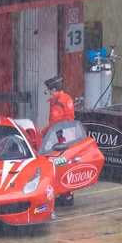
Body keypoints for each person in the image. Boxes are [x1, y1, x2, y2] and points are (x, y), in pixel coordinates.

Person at [41, 76, 75, 207]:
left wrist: (42, 133)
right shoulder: (67, 98)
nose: (49, 91)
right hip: (70, 135)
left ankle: (66, 196)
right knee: (67, 165)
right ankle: (68, 195)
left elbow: (54, 124)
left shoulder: (57, 103)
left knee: (61, 165)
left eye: (49, 89)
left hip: (63, 138)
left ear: (53, 89)